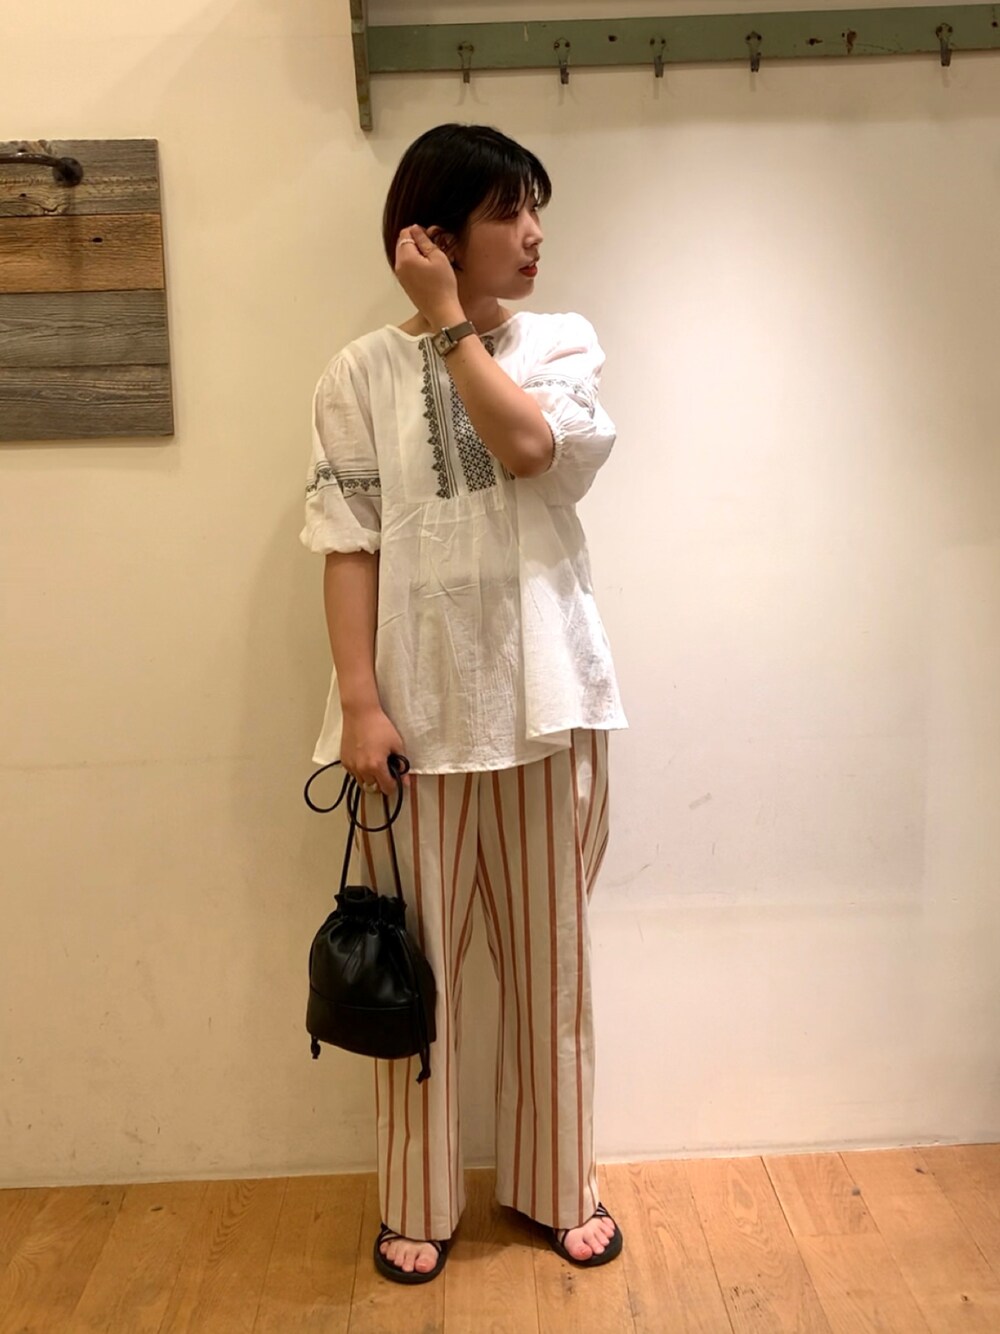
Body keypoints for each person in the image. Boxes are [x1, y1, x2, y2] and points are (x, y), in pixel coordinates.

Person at [301, 123, 627, 1285]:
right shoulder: (356, 374)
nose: (533, 234)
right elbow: (348, 542)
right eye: (507, 212)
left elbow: (530, 446)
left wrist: (448, 325)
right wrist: (359, 704)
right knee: (413, 977)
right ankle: (418, 1199)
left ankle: (556, 1183)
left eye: (536, 211)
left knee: (553, 973)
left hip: (547, 708)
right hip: (416, 724)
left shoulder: (559, 343)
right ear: (435, 231)